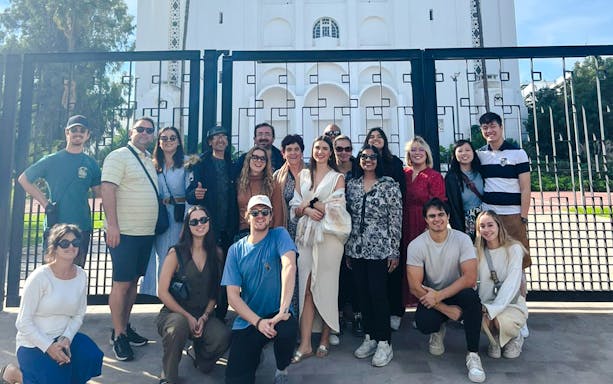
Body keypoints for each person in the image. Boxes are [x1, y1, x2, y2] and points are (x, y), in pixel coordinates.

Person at [406, 198, 485, 383]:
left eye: (441, 214)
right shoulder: (416, 245)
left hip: (456, 291)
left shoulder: (462, 239)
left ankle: (473, 355)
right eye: (432, 216)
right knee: (424, 323)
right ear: (425, 219)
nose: (437, 219)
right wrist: (446, 309)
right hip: (431, 294)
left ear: (448, 216)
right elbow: (415, 287)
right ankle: (438, 329)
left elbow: (470, 278)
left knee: (472, 299)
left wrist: (439, 296)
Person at [222, 195, 297, 384]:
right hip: (250, 319)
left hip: (278, 312)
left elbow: (289, 265)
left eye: (265, 212)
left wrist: (283, 310)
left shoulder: (279, 234)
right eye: (255, 212)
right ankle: (256, 355)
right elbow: (232, 297)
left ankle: (282, 368)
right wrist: (258, 323)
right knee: (235, 379)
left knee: (287, 329)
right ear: (247, 216)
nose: (260, 216)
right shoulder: (235, 250)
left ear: (271, 216)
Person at [15, 224, 103, 384]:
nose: (71, 247)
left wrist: (66, 339)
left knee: (91, 355)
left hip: (63, 339)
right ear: (54, 247)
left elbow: (78, 314)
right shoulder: (40, 278)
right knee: (55, 379)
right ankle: (15, 374)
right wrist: (49, 347)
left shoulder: (81, 275)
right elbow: (22, 322)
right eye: (64, 243)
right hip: (34, 343)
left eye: (75, 243)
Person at [101, 117, 158, 361]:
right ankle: (119, 335)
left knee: (133, 282)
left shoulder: (148, 159)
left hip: (145, 232)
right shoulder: (118, 156)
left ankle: (124, 326)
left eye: (149, 130)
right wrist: (112, 224)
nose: (145, 133)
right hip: (124, 232)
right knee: (121, 284)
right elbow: (107, 189)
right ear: (130, 132)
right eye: (140, 129)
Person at [290, 136, 351, 362]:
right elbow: (294, 207)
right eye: (317, 147)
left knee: (326, 287)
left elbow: (336, 210)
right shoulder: (302, 175)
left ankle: (325, 338)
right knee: (305, 288)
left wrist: (310, 203)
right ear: (312, 151)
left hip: (329, 239)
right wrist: (306, 210)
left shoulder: (338, 178)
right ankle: (305, 343)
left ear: (331, 152)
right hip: (305, 238)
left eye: (325, 148)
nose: (321, 151)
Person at [156, 206, 231, 383]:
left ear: (209, 223)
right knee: (178, 326)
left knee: (222, 336)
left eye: (204, 220)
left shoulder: (217, 254)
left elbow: (215, 292)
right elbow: (162, 291)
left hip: (202, 313)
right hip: (175, 314)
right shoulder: (176, 253)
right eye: (194, 221)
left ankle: (200, 356)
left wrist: (205, 316)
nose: (200, 224)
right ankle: (168, 376)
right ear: (188, 226)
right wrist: (188, 316)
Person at [17, 115, 101, 268]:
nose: (78, 133)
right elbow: (24, 179)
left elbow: (100, 192)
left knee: (77, 272)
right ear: (66, 133)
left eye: (82, 130)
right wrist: (46, 204)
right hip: (56, 227)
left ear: (87, 135)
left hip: (81, 226)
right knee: (51, 273)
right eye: (74, 130)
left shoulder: (91, 164)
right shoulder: (52, 159)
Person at [345, 145, 402, 367]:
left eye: (372, 157)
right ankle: (370, 336)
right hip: (356, 248)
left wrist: (394, 250)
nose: (367, 160)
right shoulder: (352, 186)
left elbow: (395, 219)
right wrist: (349, 248)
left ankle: (384, 342)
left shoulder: (389, 186)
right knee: (362, 294)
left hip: (379, 249)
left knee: (378, 294)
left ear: (378, 160)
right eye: (363, 157)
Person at [477, 111, 531, 337]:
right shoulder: (481, 155)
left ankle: (519, 313)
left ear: (501, 127)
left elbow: (525, 187)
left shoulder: (518, 153)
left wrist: (523, 216)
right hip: (490, 217)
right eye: (485, 128)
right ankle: (490, 308)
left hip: (511, 216)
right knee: (488, 263)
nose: (489, 131)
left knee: (517, 267)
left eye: (493, 126)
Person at [185, 125, 238, 321]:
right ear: (210, 142)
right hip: (206, 227)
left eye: (224, 136)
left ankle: (221, 312)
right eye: (216, 137)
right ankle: (199, 309)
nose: (220, 140)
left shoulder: (232, 164)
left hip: (228, 228)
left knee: (226, 270)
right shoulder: (200, 164)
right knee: (205, 269)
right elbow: (191, 193)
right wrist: (195, 194)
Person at [363, 127, 406, 330]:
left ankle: (395, 311)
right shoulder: (362, 163)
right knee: (371, 282)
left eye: (379, 136)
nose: (376, 139)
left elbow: (400, 195)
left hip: (389, 224)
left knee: (393, 270)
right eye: (372, 136)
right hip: (367, 235)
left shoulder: (394, 163)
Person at [141, 127, 188, 297]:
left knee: (177, 256)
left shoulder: (187, 163)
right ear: (159, 142)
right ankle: (161, 294)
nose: (168, 141)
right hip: (160, 215)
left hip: (179, 215)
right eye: (164, 138)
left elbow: (190, 194)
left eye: (172, 138)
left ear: (178, 141)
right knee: (161, 255)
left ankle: (177, 294)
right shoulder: (152, 165)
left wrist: (187, 221)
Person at [475, 210, 528, 359]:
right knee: (478, 319)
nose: (487, 230)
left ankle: (514, 338)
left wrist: (492, 310)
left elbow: (512, 284)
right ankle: (495, 340)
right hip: (486, 304)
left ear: (499, 226)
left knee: (498, 320)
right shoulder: (477, 252)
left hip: (510, 304)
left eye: (490, 225)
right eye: (482, 226)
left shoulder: (514, 249)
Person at [402, 136, 446, 308]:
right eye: (413, 150)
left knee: (426, 265)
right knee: (405, 263)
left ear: (427, 153)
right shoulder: (403, 173)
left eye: (421, 149)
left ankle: (426, 306)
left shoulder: (433, 176)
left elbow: (438, 204)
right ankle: (403, 304)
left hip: (423, 225)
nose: (417, 153)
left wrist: (431, 227)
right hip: (403, 224)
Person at [332, 134, 362, 339]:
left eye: (347, 148)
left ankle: (359, 315)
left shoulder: (359, 168)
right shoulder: (329, 170)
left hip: (359, 228)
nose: (343, 153)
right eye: (339, 149)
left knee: (357, 273)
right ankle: (339, 315)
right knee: (338, 273)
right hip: (335, 228)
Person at [236, 146, 284, 239]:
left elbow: (278, 215)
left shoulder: (272, 184)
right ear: (248, 160)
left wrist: (276, 238)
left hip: (266, 233)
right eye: (255, 157)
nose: (259, 161)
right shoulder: (238, 183)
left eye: (263, 158)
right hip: (243, 233)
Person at [445, 139, 483, 240]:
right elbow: (453, 206)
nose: (464, 153)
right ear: (455, 155)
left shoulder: (481, 172)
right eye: (460, 151)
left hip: (484, 219)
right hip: (465, 222)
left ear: (473, 153)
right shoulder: (451, 178)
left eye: (467, 150)